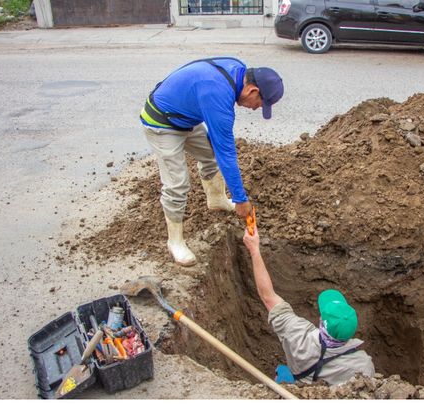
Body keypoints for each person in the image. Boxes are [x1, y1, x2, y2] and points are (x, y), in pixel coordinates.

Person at [140, 57, 284, 266]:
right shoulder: (218, 96)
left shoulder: (237, 71)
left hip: (186, 117)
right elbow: (226, 153)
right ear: (252, 91)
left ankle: (216, 199)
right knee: (177, 183)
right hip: (161, 122)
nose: (255, 109)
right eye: (259, 104)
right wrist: (241, 199)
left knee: (210, 155)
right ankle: (175, 242)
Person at [242, 226, 375, 385]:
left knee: (282, 373)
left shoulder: (299, 336)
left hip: (300, 388)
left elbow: (268, 297)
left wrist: (255, 250)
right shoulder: (363, 365)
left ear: (321, 321)